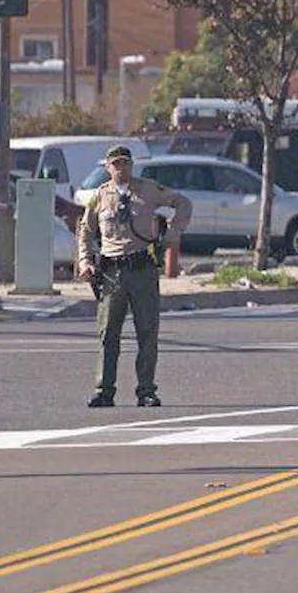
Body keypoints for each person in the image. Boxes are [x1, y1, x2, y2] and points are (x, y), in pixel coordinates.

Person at [77, 144, 192, 408]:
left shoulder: (148, 189)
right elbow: (85, 230)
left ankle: (146, 390)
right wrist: (85, 262)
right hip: (111, 273)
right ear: (107, 168)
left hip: (142, 269)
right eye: (115, 164)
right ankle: (104, 390)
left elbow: (183, 203)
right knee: (108, 333)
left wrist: (174, 233)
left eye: (125, 163)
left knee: (147, 332)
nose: (121, 168)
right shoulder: (99, 196)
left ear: (132, 165)